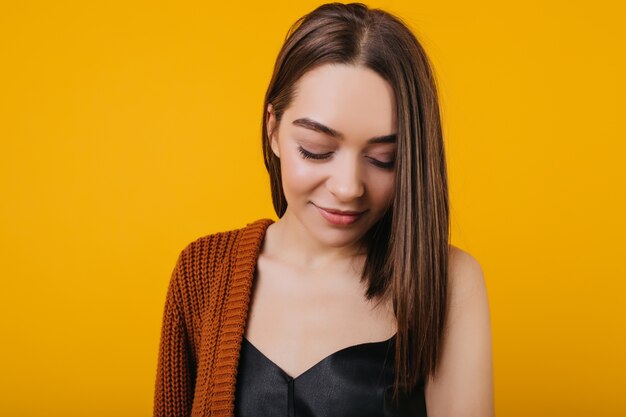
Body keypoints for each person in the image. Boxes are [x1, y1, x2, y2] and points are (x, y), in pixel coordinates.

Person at [153, 2, 494, 416]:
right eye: (317, 151)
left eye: (384, 158)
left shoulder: (448, 282)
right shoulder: (202, 275)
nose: (349, 188)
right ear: (273, 129)